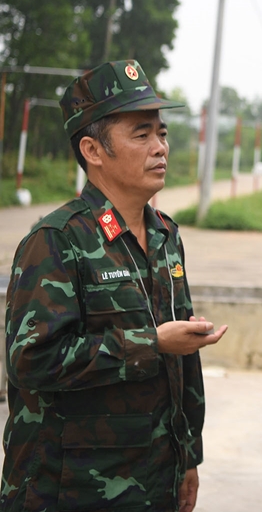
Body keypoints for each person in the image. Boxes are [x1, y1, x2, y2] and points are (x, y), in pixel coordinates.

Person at [2, 60, 228, 512]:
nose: (160, 147)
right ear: (93, 149)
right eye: (141, 135)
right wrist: (152, 343)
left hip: (155, 480)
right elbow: (32, 360)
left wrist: (188, 459)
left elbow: (184, 369)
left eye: (161, 133)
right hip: (69, 488)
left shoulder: (165, 235)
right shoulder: (57, 240)